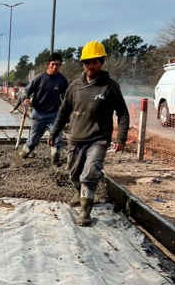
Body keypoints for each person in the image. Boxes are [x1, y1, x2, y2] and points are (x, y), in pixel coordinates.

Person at [48, 41, 130, 226]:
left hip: (98, 139)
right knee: (74, 174)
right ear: (83, 64)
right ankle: (80, 194)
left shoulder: (109, 86)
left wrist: (121, 138)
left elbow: (123, 113)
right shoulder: (75, 87)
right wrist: (54, 133)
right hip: (76, 138)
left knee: (90, 173)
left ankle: (85, 213)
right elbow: (63, 112)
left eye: (94, 62)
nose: (90, 66)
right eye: (87, 63)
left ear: (101, 63)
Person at [17, 53, 69, 166]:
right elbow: (25, 91)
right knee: (34, 139)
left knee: (57, 138)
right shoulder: (39, 79)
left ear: (60, 65)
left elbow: (68, 95)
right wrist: (25, 99)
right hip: (39, 113)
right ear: (48, 64)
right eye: (53, 64)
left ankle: (55, 160)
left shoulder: (62, 80)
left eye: (58, 65)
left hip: (55, 114)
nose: (55, 67)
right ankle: (25, 152)